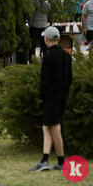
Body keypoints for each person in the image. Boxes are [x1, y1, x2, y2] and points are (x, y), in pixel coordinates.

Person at [28, 27, 72, 172]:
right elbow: (70, 77)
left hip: (51, 97)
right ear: (58, 39)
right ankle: (45, 158)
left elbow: (45, 80)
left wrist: (41, 97)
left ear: (46, 39)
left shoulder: (48, 57)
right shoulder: (66, 56)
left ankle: (60, 160)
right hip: (63, 95)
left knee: (54, 127)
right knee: (47, 126)